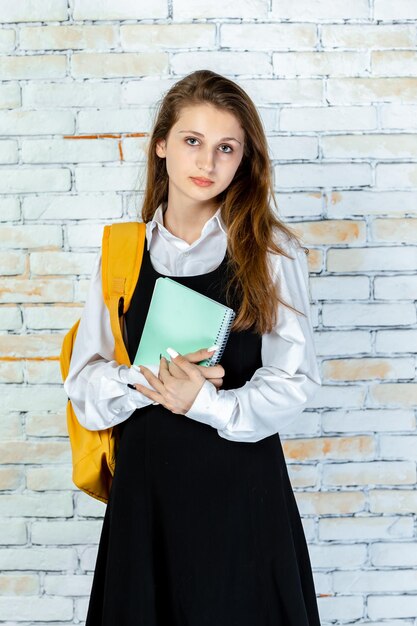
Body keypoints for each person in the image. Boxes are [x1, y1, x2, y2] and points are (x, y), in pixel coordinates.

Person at [64, 69, 322, 626]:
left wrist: (203, 403)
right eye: (192, 141)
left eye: (225, 148)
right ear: (161, 145)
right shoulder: (122, 252)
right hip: (147, 500)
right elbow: (83, 384)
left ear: (243, 160)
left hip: (241, 498)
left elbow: (296, 381)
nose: (206, 163)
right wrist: (149, 380)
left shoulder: (272, 252)